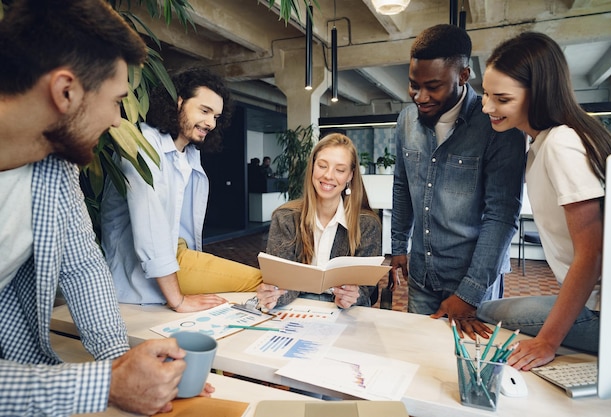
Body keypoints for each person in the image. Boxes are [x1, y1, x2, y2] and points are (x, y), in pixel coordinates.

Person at [0, 1, 214, 415]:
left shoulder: (53, 163)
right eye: (117, 100)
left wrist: (123, 361)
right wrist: (106, 385)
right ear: (65, 92)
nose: (119, 121)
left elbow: (83, 265)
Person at [477, 31, 611, 370]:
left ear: (538, 93)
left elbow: (593, 252)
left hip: (609, 314)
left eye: (501, 98)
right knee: (492, 309)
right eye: (486, 95)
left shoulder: (561, 143)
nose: (487, 107)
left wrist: (548, 342)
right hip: (598, 303)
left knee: (486, 312)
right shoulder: (545, 143)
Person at [390, 24, 527, 338]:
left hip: (471, 281)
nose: (420, 96)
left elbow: (501, 216)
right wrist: (399, 245)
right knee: (419, 359)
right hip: (422, 277)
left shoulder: (497, 126)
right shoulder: (406, 120)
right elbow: (402, 184)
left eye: (433, 86)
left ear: (464, 75)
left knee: (468, 370)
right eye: (413, 84)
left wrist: (470, 292)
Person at [101, 67, 262, 313]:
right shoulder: (143, 144)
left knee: (264, 283)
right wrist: (178, 300)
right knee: (260, 280)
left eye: (216, 117)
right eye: (204, 111)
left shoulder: (190, 156)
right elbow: (150, 230)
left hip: (179, 256)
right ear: (179, 102)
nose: (210, 123)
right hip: (144, 268)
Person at [256, 133, 381, 309]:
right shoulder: (285, 218)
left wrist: (353, 296)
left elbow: (366, 289)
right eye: (322, 166)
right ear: (313, 167)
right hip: (297, 306)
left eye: (340, 170)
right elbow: (280, 282)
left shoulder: (367, 224)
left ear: (350, 176)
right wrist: (273, 295)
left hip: (345, 312)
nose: (329, 175)